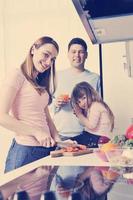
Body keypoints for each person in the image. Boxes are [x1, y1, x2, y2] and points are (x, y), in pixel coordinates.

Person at [0, 36, 61, 172]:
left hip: (46, 150)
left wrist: (60, 141)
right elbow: (1, 116)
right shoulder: (16, 75)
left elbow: (46, 117)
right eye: (46, 55)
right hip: (25, 150)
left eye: (53, 59)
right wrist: (37, 132)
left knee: (40, 194)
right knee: (16, 194)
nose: (48, 62)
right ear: (33, 49)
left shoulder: (40, 83)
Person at [51, 37, 101, 140]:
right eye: (73, 52)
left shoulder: (95, 78)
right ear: (68, 55)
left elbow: (99, 108)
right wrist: (56, 104)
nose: (77, 55)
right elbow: (46, 105)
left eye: (81, 52)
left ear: (86, 55)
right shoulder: (57, 76)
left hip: (86, 134)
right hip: (61, 134)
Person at [70, 81, 114, 147]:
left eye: (84, 98)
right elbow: (85, 124)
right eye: (79, 102)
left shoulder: (95, 105)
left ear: (91, 93)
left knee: (71, 142)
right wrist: (80, 115)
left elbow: (91, 126)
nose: (82, 103)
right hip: (95, 137)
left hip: (98, 138)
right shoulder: (92, 106)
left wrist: (80, 114)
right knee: (72, 142)